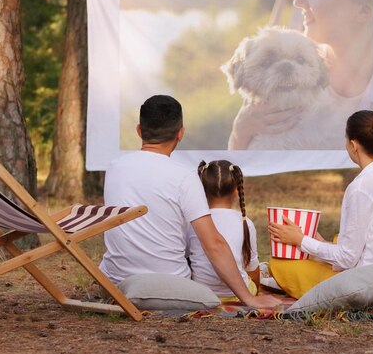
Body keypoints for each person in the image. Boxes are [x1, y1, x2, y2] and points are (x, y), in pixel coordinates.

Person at [99, 95, 279, 308]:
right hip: (169, 287)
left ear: (139, 130)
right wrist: (248, 298)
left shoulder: (114, 167)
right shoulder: (184, 177)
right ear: (180, 133)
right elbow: (213, 244)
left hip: (112, 283)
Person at [268, 111, 373, 298]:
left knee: (280, 265)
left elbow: (347, 259)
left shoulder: (360, 187)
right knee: (334, 241)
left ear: (353, 145)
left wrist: (301, 241)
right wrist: (319, 244)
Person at [228, 0, 373, 150]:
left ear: (363, 10)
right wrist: (240, 131)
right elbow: (236, 160)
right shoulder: (292, 39)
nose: (297, 0)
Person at [186, 160, 260, 301]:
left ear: (201, 190)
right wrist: (255, 292)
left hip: (201, 295)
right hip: (237, 297)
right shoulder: (245, 223)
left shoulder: (193, 222)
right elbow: (252, 269)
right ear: (237, 191)